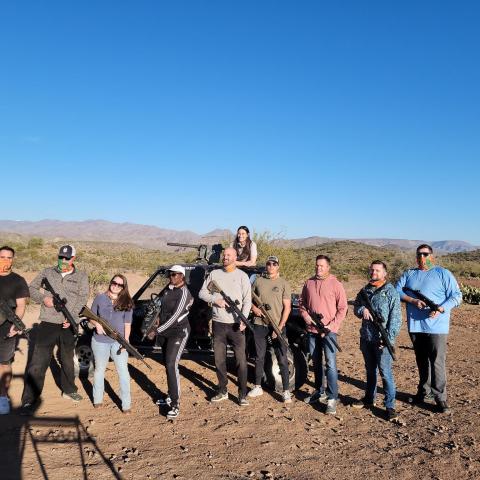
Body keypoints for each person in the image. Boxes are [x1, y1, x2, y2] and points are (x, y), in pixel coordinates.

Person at [21, 245, 89, 414]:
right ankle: (29, 399)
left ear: (73, 259)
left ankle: (69, 390)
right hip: (48, 322)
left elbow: (83, 297)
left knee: (67, 359)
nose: (63, 260)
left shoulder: (81, 276)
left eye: (67, 258)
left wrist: (71, 316)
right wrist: (44, 299)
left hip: (68, 324)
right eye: (61, 257)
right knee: (39, 361)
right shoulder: (47, 272)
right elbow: (31, 289)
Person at [396, 244, 462, 413]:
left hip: (437, 327)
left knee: (437, 362)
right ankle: (423, 392)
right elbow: (396, 291)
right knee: (421, 360)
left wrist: (441, 309)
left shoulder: (443, 273)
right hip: (416, 325)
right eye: (419, 254)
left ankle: (440, 398)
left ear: (432, 256)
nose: (422, 257)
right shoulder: (409, 273)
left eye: (425, 254)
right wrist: (412, 301)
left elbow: (456, 296)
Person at [199, 247, 252, 405]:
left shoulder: (242, 276)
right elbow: (202, 293)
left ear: (235, 257)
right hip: (218, 324)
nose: (225, 257)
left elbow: (247, 300)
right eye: (224, 255)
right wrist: (215, 300)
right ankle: (222, 390)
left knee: (241, 361)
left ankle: (242, 394)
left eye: (229, 255)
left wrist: (244, 319)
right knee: (219, 360)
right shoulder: (214, 274)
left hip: (236, 325)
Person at [353, 260, 402, 421]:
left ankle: (390, 406)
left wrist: (388, 338)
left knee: (385, 373)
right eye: (372, 270)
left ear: (385, 273)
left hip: (382, 341)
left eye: (377, 270)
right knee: (370, 371)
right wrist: (362, 310)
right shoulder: (365, 290)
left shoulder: (390, 292)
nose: (374, 273)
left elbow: (395, 319)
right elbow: (356, 308)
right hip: (366, 337)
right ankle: (369, 399)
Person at [300, 254, 347, 415]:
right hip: (312, 331)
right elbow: (302, 304)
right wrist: (306, 317)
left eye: (322, 266)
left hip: (329, 332)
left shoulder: (336, 284)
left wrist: (331, 326)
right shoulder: (308, 283)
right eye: (317, 265)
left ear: (328, 267)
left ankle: (332, 397)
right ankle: (318, 391)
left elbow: (343, 308)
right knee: (316, 363)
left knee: (331, 365)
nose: (319, 268)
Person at [248, 255, 292, 403]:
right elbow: (248, 297)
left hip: (277, 325)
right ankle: (257, 386)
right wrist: (254, 308)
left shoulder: (284, 283)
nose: (271, 266)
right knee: (259, 356)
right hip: (259, 324)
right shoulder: (258, 281)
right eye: (268, 263)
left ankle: (286, 391)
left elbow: (287, 308)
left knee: (282, 357)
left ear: (278, 266)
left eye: (274, 264)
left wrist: (279, 327)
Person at [151, 265, 193, 420]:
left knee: (171, 364)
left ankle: (175, 404)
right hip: (165, 331)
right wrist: (154, 321)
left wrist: (157, 330)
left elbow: (176, 317)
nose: (172, 277)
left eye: (175, 275)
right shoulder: (168, 289)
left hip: (179, 332)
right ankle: (169, 395)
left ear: (182, 276)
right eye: (170, 275)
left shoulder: (184, 293)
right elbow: (159, 306)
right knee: (166, 363)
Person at [89, 274, 133, 413]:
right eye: (114, 282)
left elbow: (127, 324)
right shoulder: (100, 298)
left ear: (123, 287)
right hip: (100, 341)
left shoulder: (127, 302)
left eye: (120, 285)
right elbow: (89, 316)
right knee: (99, 370)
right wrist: (96, 324)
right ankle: (97, 399)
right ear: (110, 283)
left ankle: (126, 405)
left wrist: (125, 342)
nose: (116, 286)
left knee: (123, 372)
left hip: (118, 342)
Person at [0, 246, 30, 415]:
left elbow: (20, 306)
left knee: (4, 363)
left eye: (8, 257)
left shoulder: (18, 280)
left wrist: (16, 325)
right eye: (2, 257)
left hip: (6, 327)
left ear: (13, 259)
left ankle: (3, 397)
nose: (5, 260)